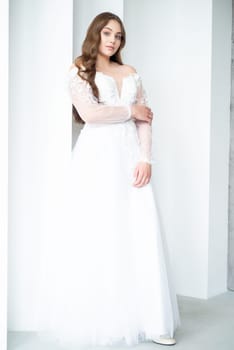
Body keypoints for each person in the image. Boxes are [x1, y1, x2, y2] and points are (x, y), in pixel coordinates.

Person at [36, 11, 180, 348]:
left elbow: (146, 120)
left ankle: (154, 320)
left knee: (141, 228)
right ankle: (107, 319)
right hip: (97, 158)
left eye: (118, 35)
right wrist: (130, 112)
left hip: (130, 155)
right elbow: (91, 115)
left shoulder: (131, 73)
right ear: (95, 35)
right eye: (107, 33)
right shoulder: (80, 70)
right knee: (101, 229)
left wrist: (146, 159)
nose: (113, 40)